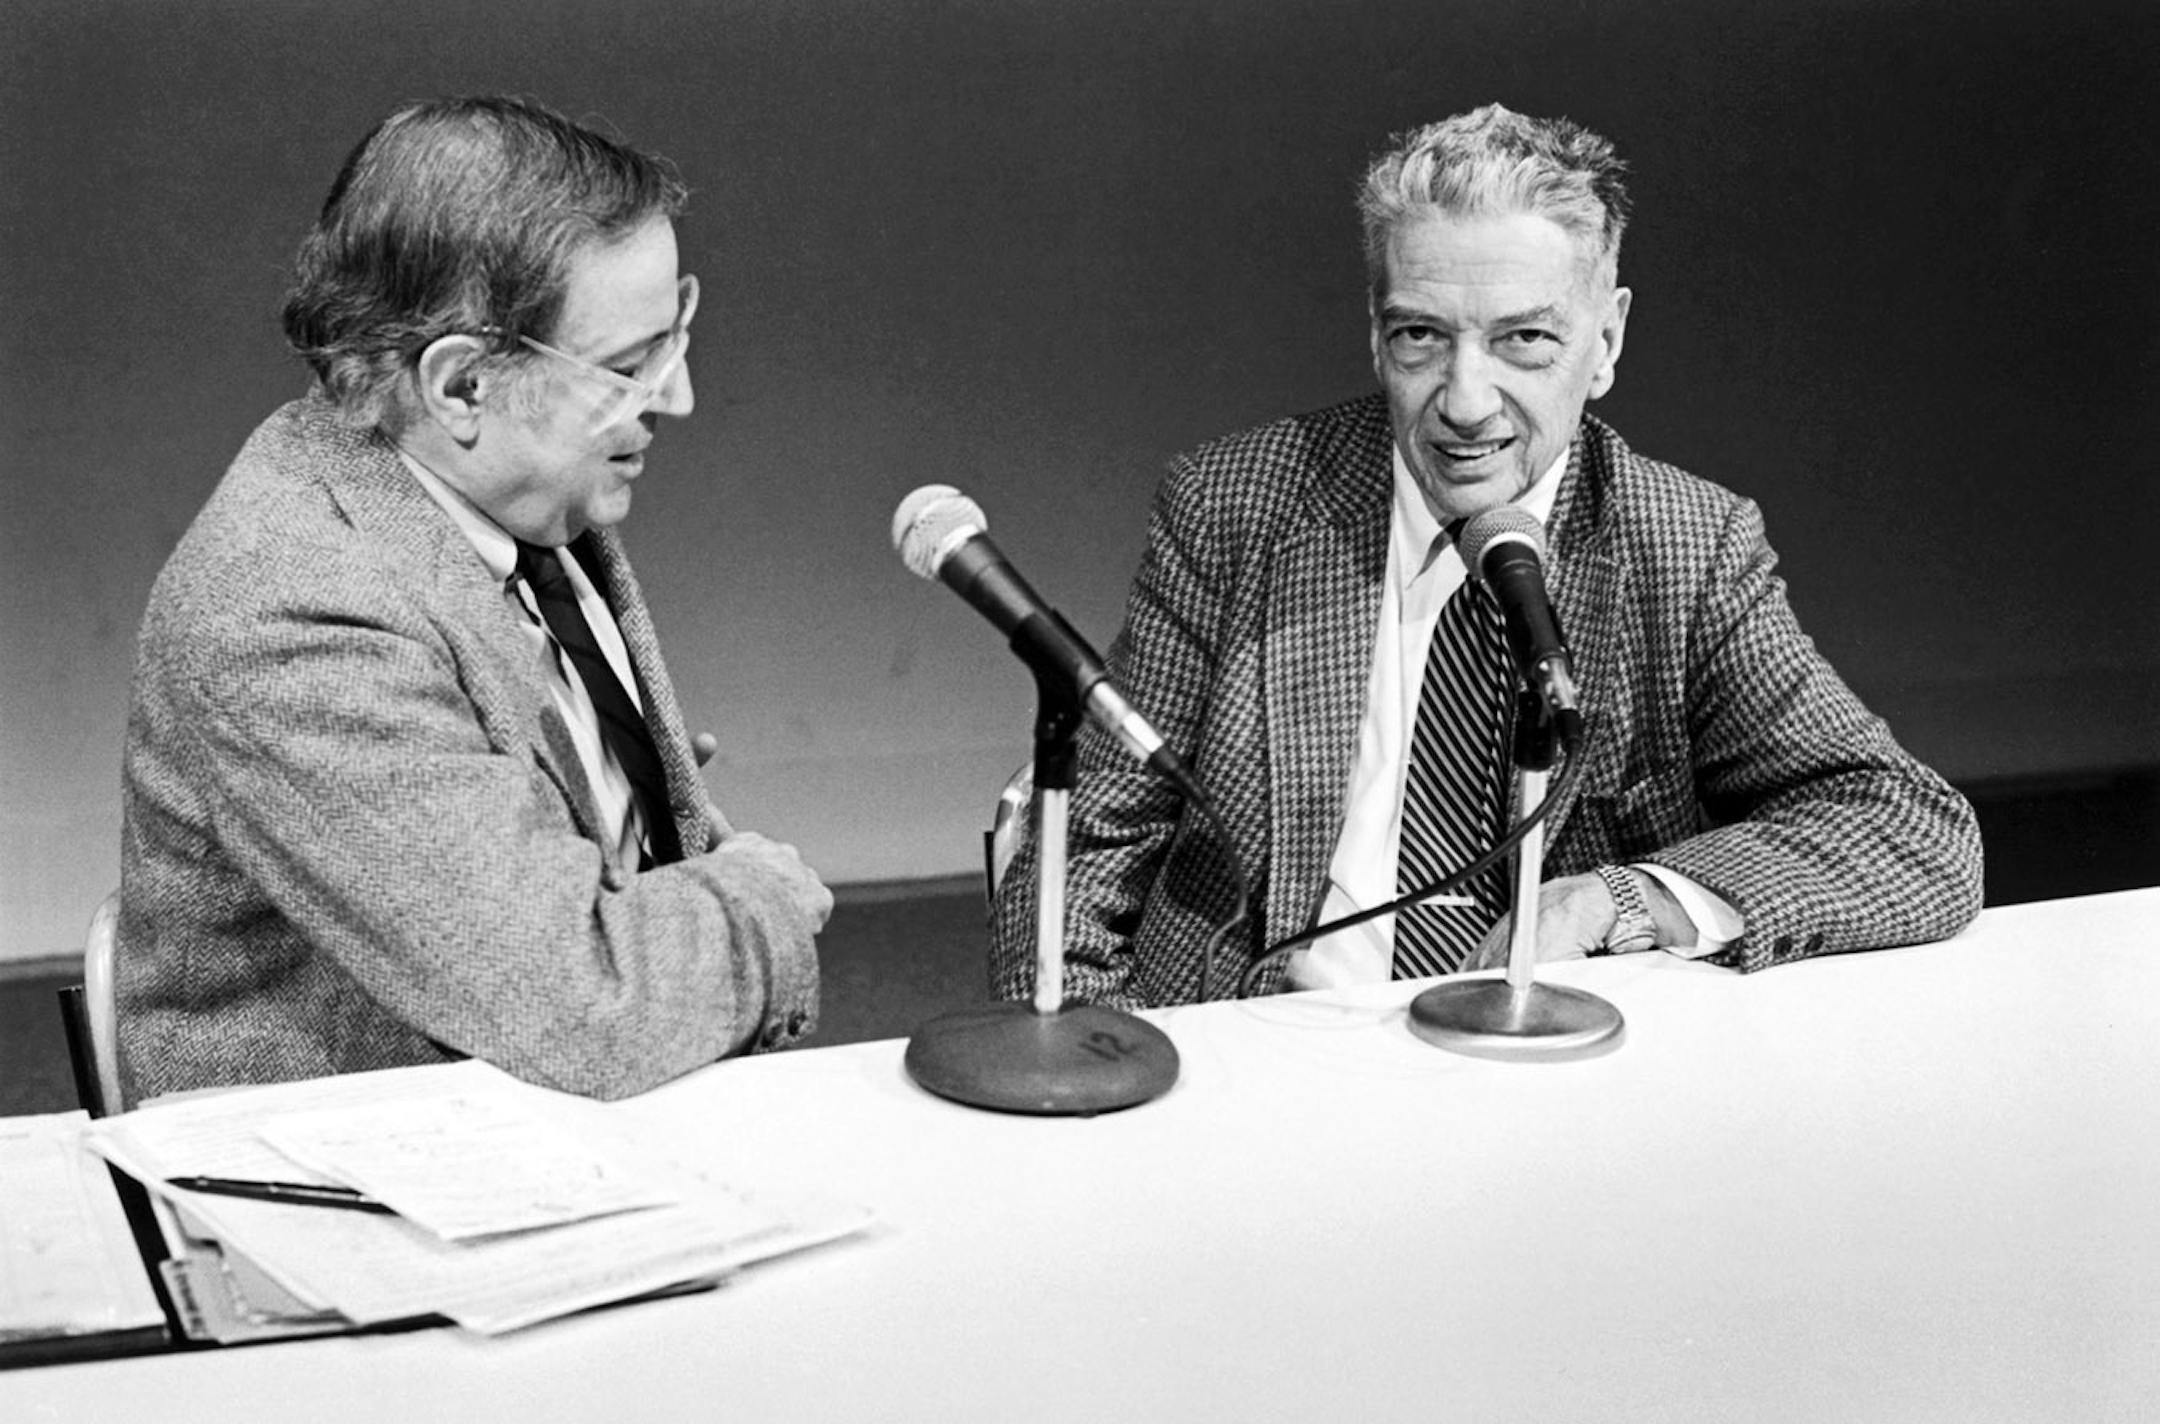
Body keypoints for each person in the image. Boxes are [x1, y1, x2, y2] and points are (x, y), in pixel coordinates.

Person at [989, 103, 1982, 1009]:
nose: (1465, 401)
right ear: (1375, 336)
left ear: (1606, 342)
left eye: (1524, 342)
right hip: (1262, 1051)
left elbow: (1909, 826)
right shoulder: (1238, 504)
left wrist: (1615, 899)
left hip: (1550, 1081)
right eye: (1422, 336)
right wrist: (1108, 1077)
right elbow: (1091, 843)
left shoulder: (1685, 545)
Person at [118, 97, 830, 1103]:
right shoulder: (290, 611)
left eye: (674, 340)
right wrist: (761, 901)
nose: (676, 399)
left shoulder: (520, 492)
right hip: (363, 1185)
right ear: (459, 387)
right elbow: (582, 1007)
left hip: (569, 1120)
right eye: (631, 367)